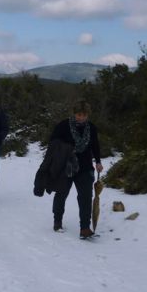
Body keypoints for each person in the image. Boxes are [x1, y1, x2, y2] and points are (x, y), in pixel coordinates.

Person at [47, 100, 103, 238]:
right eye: (79, 114)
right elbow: (53, 142)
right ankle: (57, 221)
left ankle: (84, 228)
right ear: (74, 113)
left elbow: (95, 145)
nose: (81, 117)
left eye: (84, 115)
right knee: (61, 193)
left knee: (85, 197)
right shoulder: (63, 126)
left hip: (84, 167)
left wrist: (98, 161)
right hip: (65, 166)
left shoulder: (91, 128)